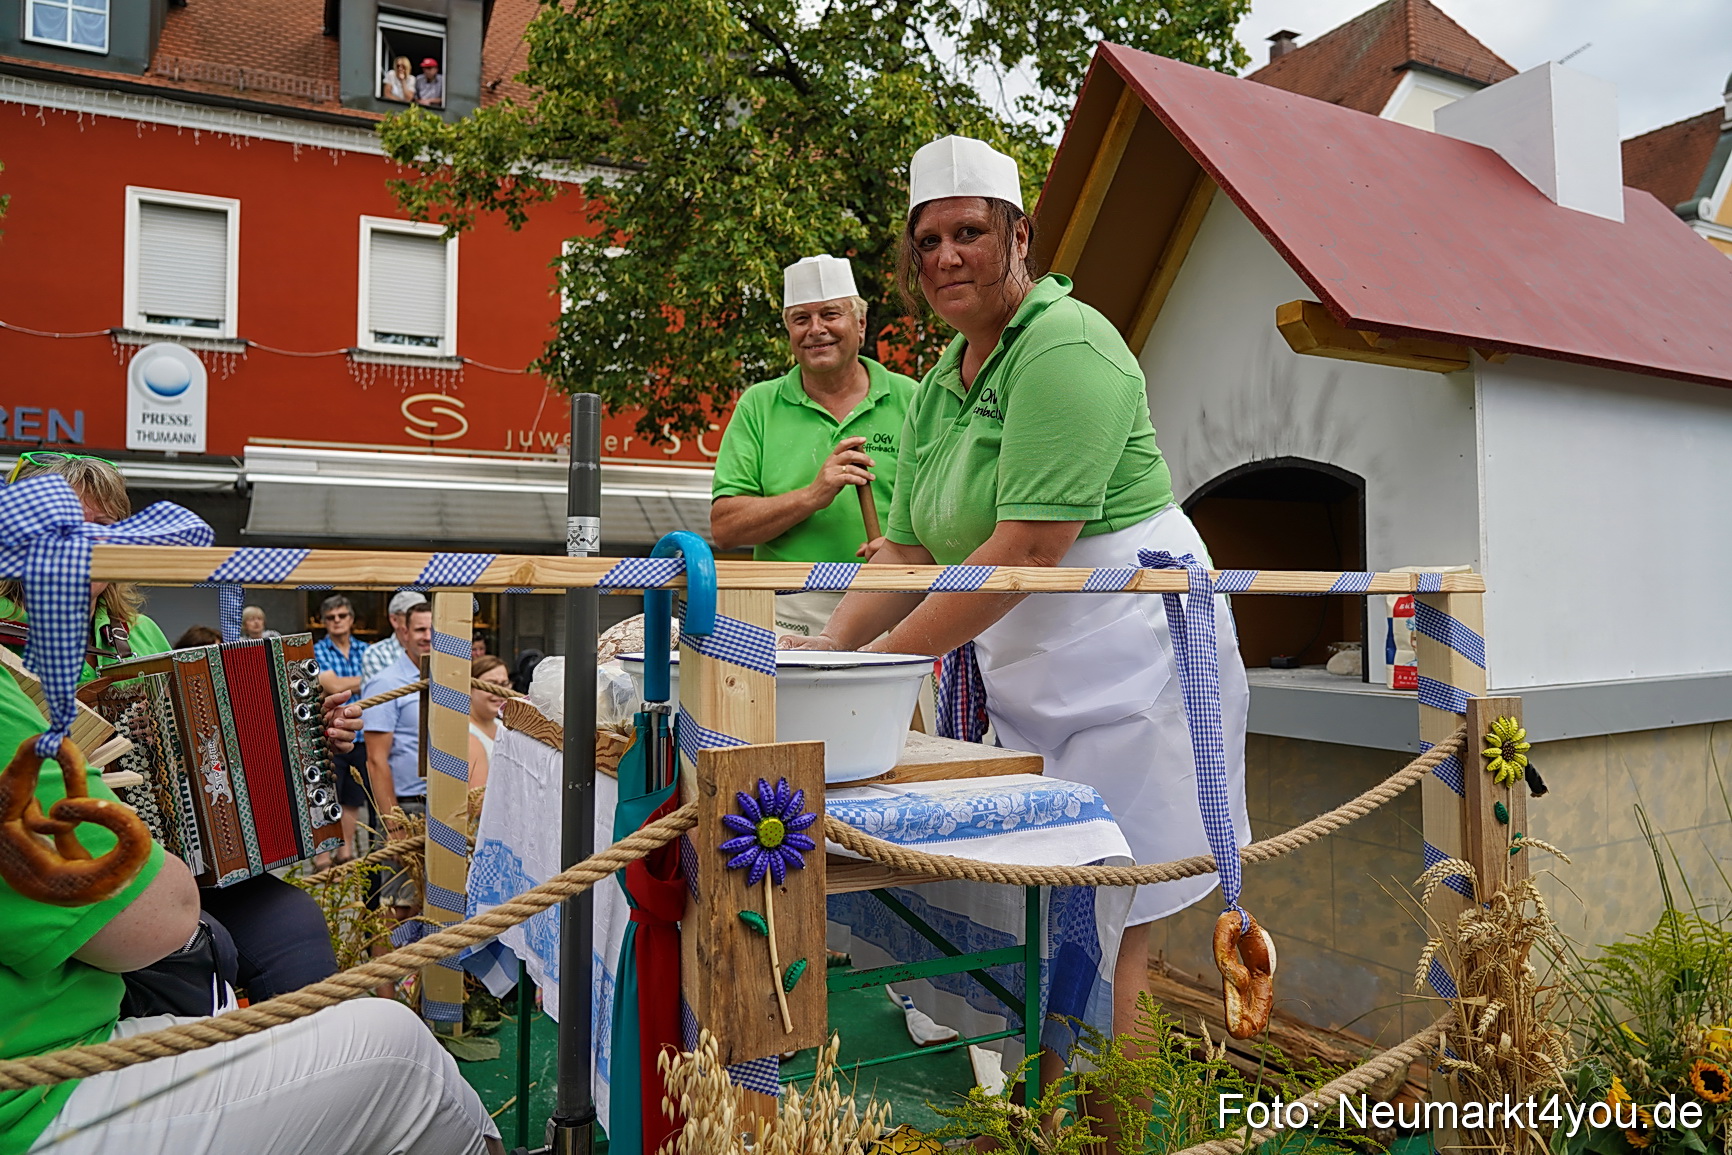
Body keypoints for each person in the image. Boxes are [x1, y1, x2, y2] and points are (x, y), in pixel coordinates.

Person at [789, 136, 1251, 1049]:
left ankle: (1114, 1136)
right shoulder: (937, 387)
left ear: (1019, 236)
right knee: (1044, 915)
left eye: (968, 231)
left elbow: (1033, 548)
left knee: (1111, 926)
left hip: (1133, 658)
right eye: (927, 241)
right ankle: (1053, 1115)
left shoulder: (1069, 345)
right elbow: (909, 550)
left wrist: (875, 667)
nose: (946, 255)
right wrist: (825, 654)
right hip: (1033, 662)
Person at [0, 654, 503, 1154]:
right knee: (399, 1047)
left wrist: (306, 741)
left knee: (292, 918)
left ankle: (311, 1103)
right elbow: (154, 914)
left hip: (182, 879)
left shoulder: (131, 632)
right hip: (55, 1055)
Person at [0, 453, 353, 1004]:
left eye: (106, 529)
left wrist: (304, 731)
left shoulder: (137, 633)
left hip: (182, 859)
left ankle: (307, 1074)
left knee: (293, 923)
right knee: (197, 955)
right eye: (69, 527)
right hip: (74, 870)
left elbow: (195, 743)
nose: (92, 544)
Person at [710, 254, 917, 635]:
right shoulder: (759, 405)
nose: (815, 329)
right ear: (789, 330)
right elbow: (725, 528)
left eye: (830, 314)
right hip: (785, 613)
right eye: (801, 319)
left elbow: (952, 508)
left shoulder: (913, 400)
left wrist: (904, 550)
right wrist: (813, 496)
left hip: (892, 602)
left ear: (861, 323)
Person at [361, 600, 434, 917]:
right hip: (406, 807)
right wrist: (393, 826)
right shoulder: (386, 683)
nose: (428, 636)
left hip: (446, 807)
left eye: (435, 629)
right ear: (403, 632)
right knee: (398, 908)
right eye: (420, 629)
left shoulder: (454, 680)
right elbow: (376, 761)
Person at [314, 594, 371, 863]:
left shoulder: (366, 649)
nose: (337, 621)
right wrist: (366, 681)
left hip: (361, 734)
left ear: (351, 619)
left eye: (341, 616)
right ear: (323, 622)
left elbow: (338, 683)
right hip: (330, 735)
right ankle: (323, 858)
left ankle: (345, 852)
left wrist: (341, 682)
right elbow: (332, 687)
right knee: (325, 796)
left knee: (352, 798)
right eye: (331, 618)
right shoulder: (317, 650)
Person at [467, 654, 510, 807]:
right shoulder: (467, 735)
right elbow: (477, 803)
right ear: (470, 688)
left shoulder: (505, 727)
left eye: (504, 684)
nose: (499, 691)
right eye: (490, 685)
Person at [361, 589, 425, 682]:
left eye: (424, 613)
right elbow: (381, 692)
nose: (420, 619)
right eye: (410, 614)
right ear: (394, 620)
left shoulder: (437, 650)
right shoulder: (376, 654)